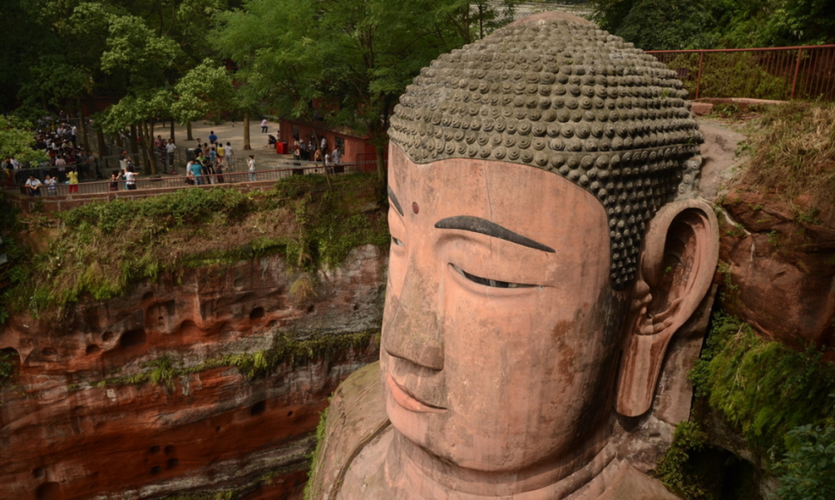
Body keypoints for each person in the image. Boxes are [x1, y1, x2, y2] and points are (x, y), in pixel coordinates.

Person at [308, 12, 719, 500]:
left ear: (663, 295)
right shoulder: (352, 422)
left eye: (486, 276)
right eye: (397, 240)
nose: (402, 342)